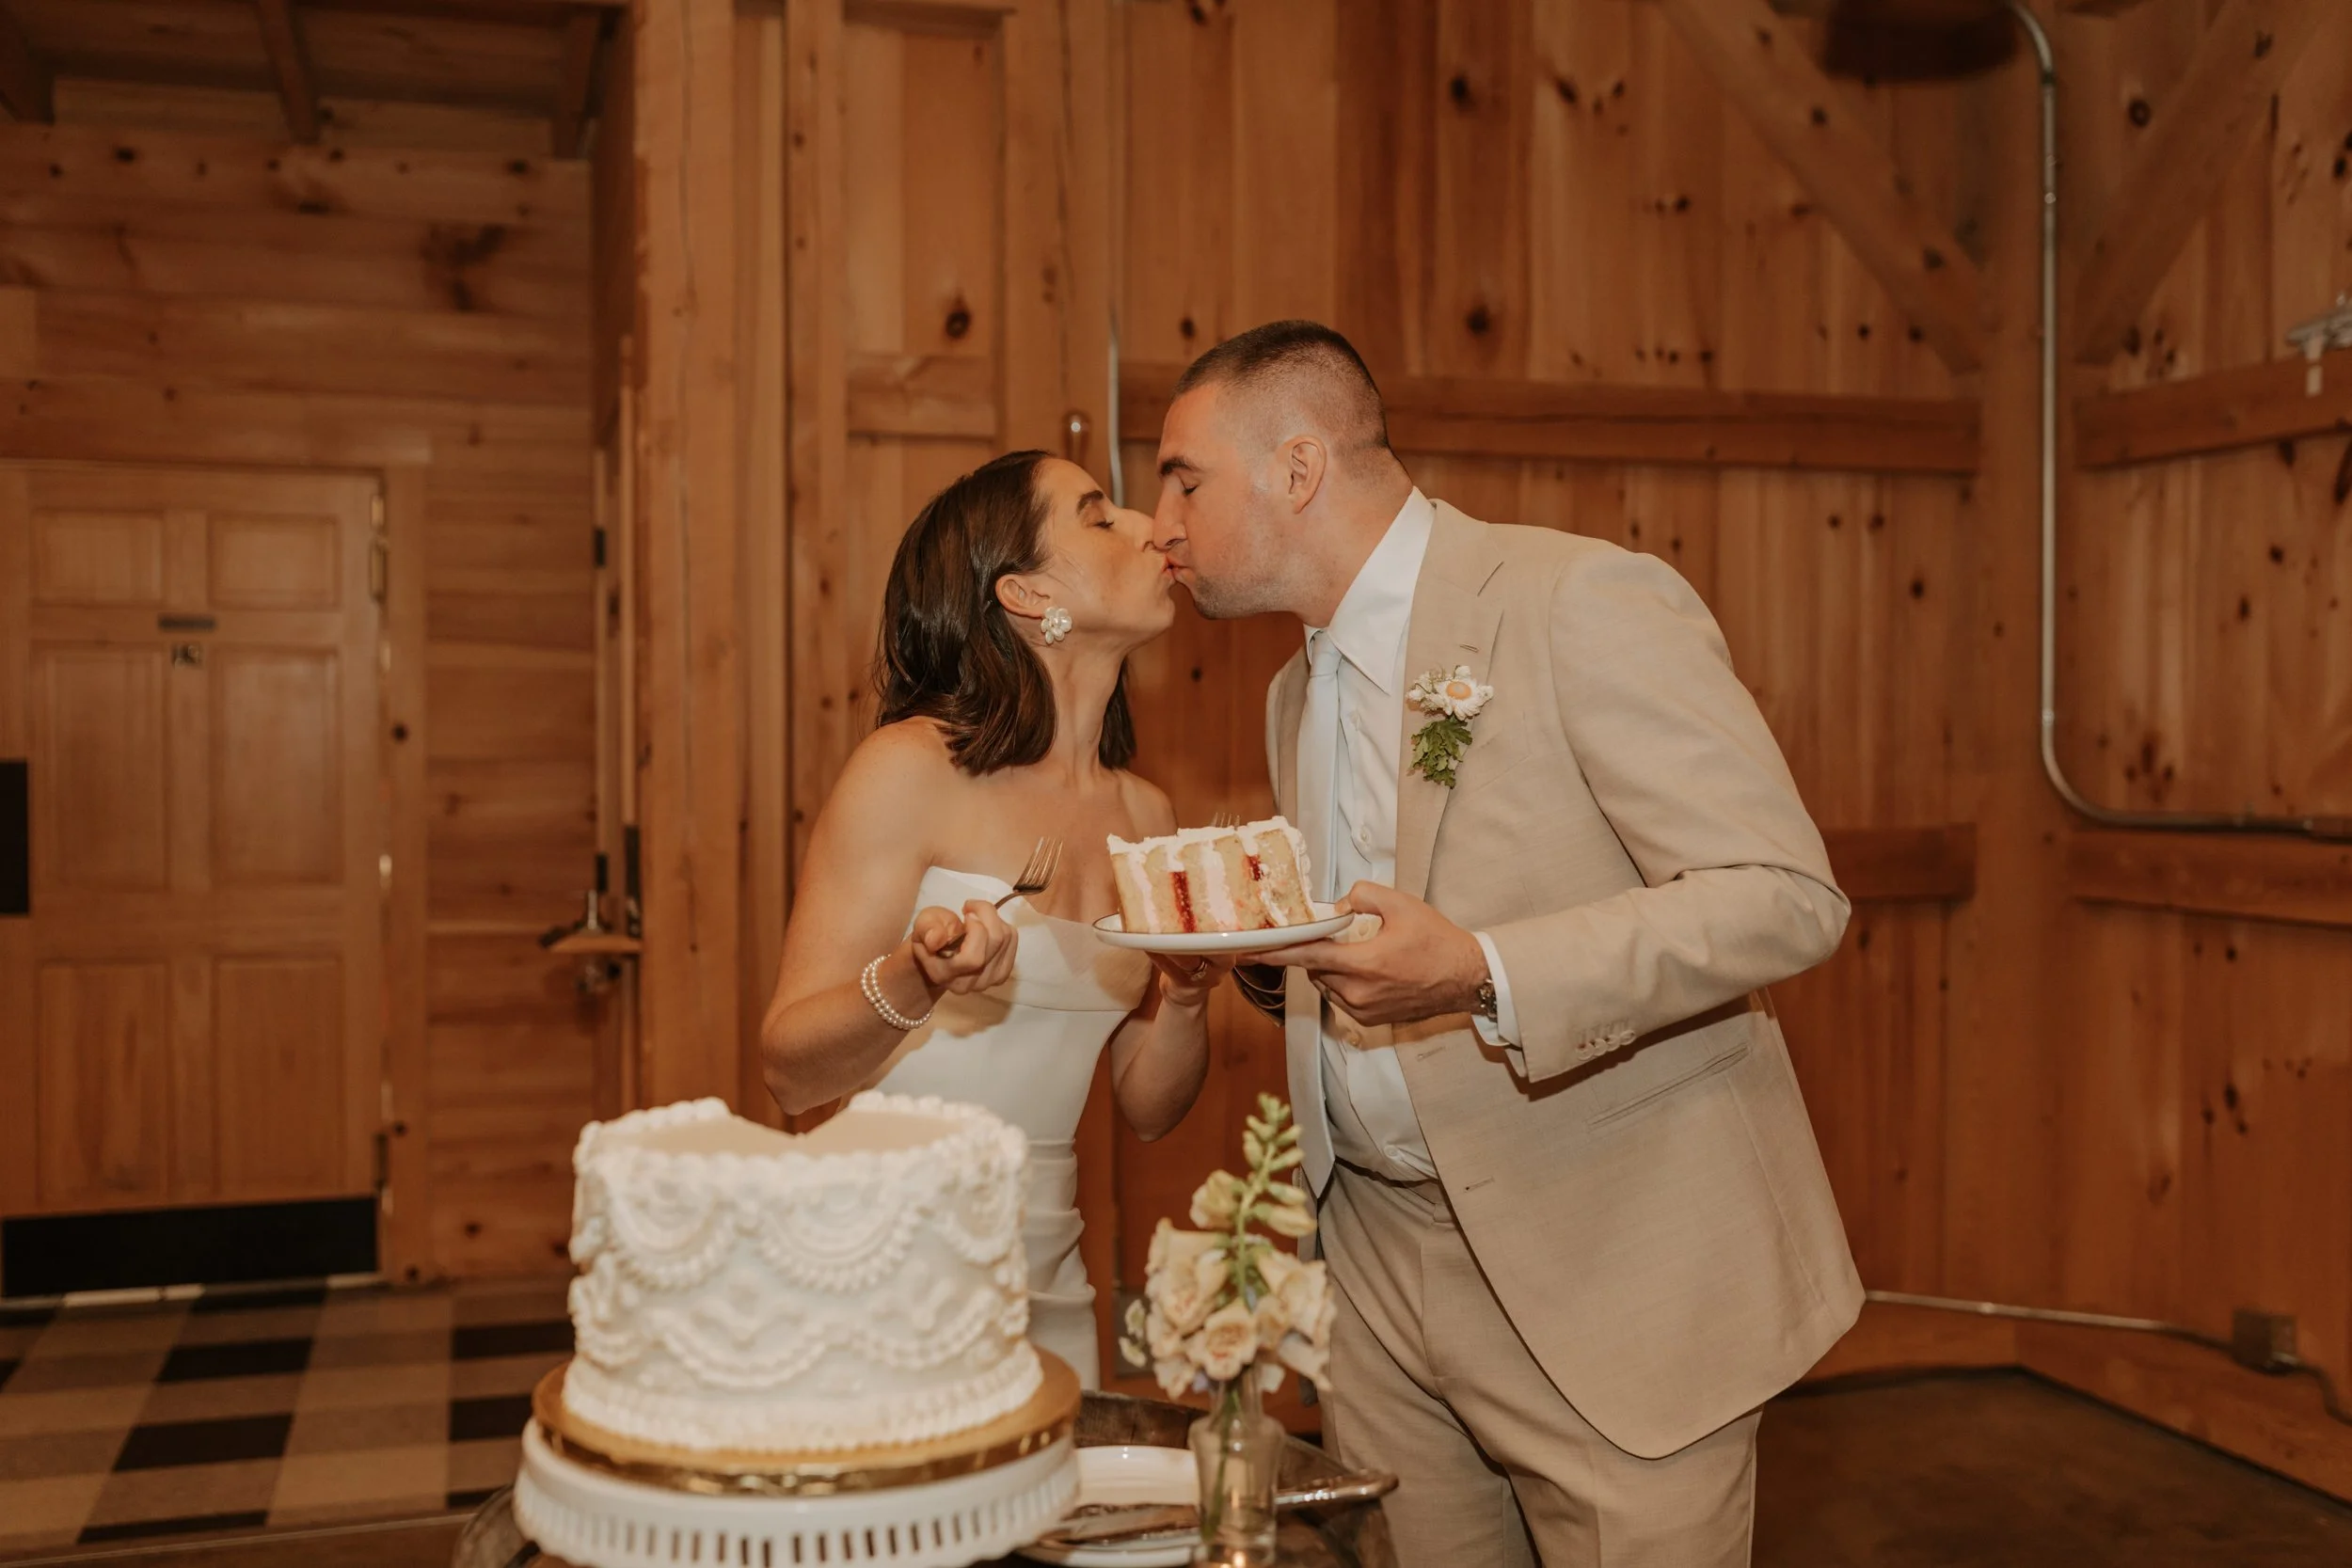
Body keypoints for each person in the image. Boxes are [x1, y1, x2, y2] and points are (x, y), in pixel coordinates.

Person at [1152, 320, 1864, 1567]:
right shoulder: (1292, 691)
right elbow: (1380, 942)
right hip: (1373, 1268)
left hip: (1607, 1262)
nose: (1160, 521)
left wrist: (1484, 969)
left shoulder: (1573, 600)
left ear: (1298, 467)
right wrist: (1273, 961)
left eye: (1183, 480)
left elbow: (1782, 895)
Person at [758, 450, 1228, 1388]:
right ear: (1026, 592)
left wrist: (1185, 995)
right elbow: (789, 1070)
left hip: (1047, 1253)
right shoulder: (910, 769)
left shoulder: (1147, 814)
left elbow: (1147, 1108)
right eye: (1099, 515)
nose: (1148, 526)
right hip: (881, 1244)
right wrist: (915, 978)